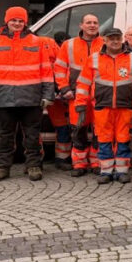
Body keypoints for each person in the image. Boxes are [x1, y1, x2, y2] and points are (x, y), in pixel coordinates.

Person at [0, 6, 55, 183]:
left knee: (32, 135)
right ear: (7, 21)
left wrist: (48, 95)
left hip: (31, 98)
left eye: (20, 21)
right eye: (14, 20)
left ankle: (33, 166)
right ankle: (3, 168)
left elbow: (46, 70)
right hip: (3, 98)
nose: (17, 23)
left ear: (25, 22)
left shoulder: (36, 42)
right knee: (4, 136)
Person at [75, 28, 132, 184]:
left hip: (126, 107)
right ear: (105, 40)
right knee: (104, 139)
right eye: (111, 39)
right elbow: (83, 83)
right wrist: (81, 103)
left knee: (124, 138)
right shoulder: (94, 59)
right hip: (102, 106)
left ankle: (122, 171)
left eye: (117, 38)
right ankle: (106, 171)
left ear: (122, 39)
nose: (115, 41)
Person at [54, 13, 104, 175]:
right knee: (78, 130)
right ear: (81, 26)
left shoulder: (105, 43)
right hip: (76, 95)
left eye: (95, 22)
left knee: (99, 131)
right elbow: (60, 68)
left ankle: (97, 163)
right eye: (88, 22)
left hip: (100, 95)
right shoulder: (69, 45)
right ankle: (79, 164)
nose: (92, 25)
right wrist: (64, 88)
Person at [40, 34, 72, 170]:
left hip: (52, 94)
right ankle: (60, 158)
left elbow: (61, 71)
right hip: (40, 94)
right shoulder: (47, 45)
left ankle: (60, 158)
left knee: (62, 126)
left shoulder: (48, 45)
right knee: (61, 126)